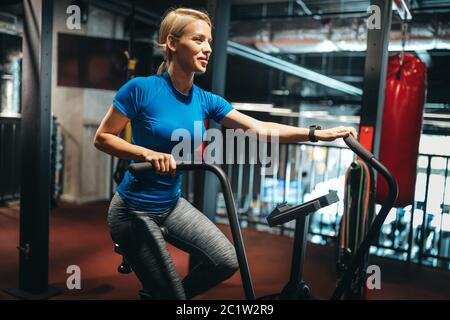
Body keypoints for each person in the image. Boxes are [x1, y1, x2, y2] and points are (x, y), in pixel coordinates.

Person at [94, 7, 357, 300]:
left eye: (209, 41)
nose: (207, 48)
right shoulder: (140, 89)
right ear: (172, 42)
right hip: (133, 210)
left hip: (170, 204)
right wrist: (146, 153)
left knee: (225, 261)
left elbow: (258, 127)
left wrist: (314, 134)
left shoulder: (206, 100)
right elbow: (103, 137)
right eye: (198, 40)